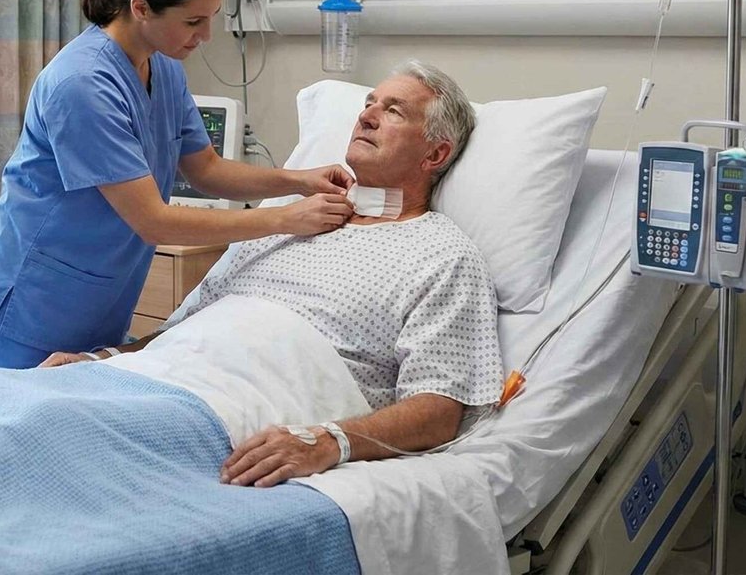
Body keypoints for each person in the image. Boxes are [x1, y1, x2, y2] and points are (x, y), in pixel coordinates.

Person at [43, 61, 503, 488]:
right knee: (7, 403)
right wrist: (102, 358)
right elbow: (187, 329)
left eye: (394, 111)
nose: (367, 116)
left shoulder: (442, 255)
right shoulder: (283, 223)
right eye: (368, 104)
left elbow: (438, 409)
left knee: (48, 437)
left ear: (435, 154)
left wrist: (331, 441)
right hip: (154, 379)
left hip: (225, 411)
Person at [0, 0, 357, 369]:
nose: (205, 36)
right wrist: (283, 219)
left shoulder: (161, 68)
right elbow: (153, 221)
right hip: (28, 303)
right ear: (141, 8)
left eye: (211, 19)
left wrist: (295, 180)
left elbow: (204, 167)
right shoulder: (82, 85)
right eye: (193, 21)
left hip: (96, 299)